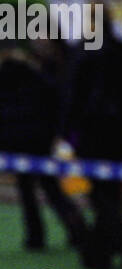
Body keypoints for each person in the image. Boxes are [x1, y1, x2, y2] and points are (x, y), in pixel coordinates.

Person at [64, 12, 122, 269]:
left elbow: (72, 94)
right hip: (118, 132)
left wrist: (65, 131)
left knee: (100, 195)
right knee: (109, 192)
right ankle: (98, 253)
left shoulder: (82, 52)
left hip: (90, 132)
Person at [0, 42, 89, 254]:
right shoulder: (38, 77)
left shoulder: (5, 79)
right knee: (50, 186)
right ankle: (76, 227)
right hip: (40, 139)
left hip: (15, 141)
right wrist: (54, 133)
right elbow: (56, 103)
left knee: (26, 189)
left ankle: (35, 236)